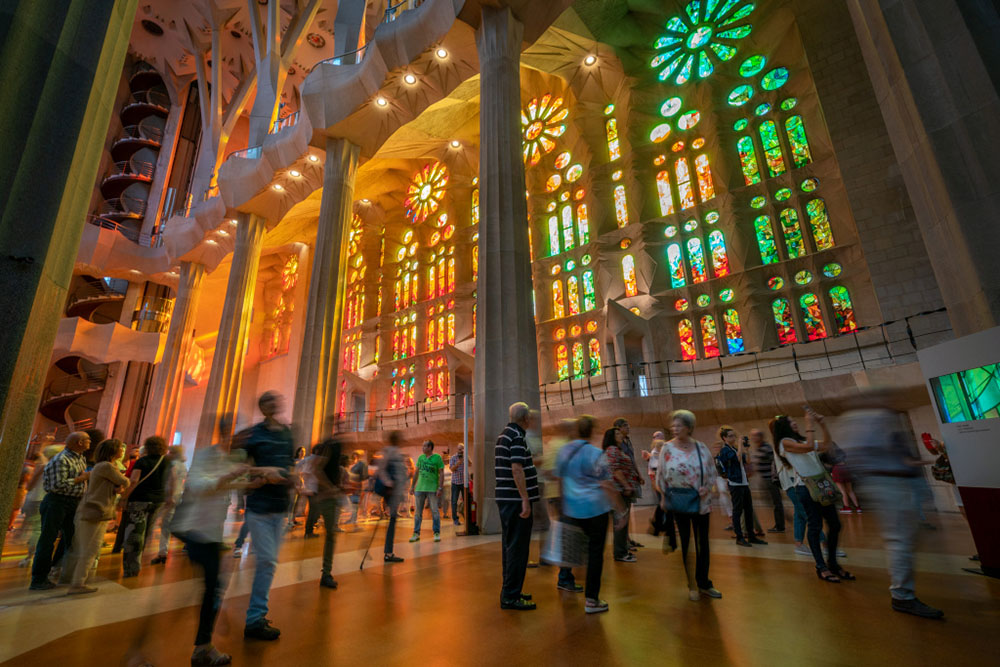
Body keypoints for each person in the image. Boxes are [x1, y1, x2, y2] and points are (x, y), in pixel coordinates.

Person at [838, 402, 943, 618]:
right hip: (887, 486)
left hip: (890, 485)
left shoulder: (865, 422)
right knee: (899, 541)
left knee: (902, 540)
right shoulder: (870, 422)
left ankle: (903, 592)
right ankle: (902, 596)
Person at [171, 413, 249, 665]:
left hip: (212, 534)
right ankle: (202, 647)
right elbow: (197, 486)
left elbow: (241, 482)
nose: (245, 440)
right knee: (211, 590)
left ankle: (202, 646)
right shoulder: (208, 455)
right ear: (227, 433)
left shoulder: (233, 458)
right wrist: (229, 477)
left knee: (212, 589)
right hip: (197, 531)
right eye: (241, 434)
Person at [239, 391, 296, 641]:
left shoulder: (286, 434)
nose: (276, 402)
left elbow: (290, 465)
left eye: (277, 399)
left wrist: (292, 477)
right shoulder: (254, 434)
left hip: (280, 506)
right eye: (269, 400)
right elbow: (241, 470)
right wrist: (263, 474)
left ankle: (257, 614)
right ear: (262, 406)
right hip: (259, 506)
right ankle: (254, 619)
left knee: (269, 563)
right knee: (267, 562)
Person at [770, 412, 852, 583]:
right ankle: (821, 566)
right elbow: (809, 446)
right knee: (814, 526)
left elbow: (827, 445)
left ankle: (833, 564)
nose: (795, 423)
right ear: (784, 427)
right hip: (805, 488)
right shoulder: (784, 443)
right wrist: (810, 423)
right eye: (792, 422)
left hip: (821, 485)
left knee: (835, 524)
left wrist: (823, 424)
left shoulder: (799, 440)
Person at [557, 416, 627, 613]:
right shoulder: (596, 454)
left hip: (572, 509)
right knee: (596, 554)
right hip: (595, 511)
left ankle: (565, 580)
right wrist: (621, 509)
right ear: (591, 432)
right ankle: (591, 600)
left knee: (572, 550)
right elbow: (607, 484)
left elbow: (560, 479)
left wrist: (563, 504)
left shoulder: (564, 451)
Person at [657, 410, 721, 601]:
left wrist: (707, 488)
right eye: (673, 426)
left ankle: (704, 582)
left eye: (679, 426)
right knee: (686, 542)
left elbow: (711, 471)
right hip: (679, 501)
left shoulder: (701, 448)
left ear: (689, 427)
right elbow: (661, 475)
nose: (675, 429)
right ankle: (691, 584)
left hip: (701, 501)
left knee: (703, 543)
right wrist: (663, 496)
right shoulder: (666, 448)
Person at [65, 439, 129, 594]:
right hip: (95, 510)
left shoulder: (104, 466)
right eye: (120, 448)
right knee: (89, 549)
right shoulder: (106, 466)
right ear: (113, 451)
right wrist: (121, 484)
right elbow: (124, 481)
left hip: (98, 510)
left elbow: (113, 485)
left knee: (88, 548)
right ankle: (77, 584)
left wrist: (116, 488)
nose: (122, 451)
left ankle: (74, 580)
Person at [30, 431, 90, 590]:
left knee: (71, 538)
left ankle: (56, 569)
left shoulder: (80, 457)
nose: (90, 442)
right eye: (87, 440)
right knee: (47, 540)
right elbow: (58, 485)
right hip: (57, 502)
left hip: (72, 503)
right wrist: (81, 478)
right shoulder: (61, 459)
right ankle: (39, 578)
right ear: (79, 443)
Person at [496, 402, 539, 610]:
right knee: (518, 549)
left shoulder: (505, 434)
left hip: (507, 500)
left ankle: (510, 590)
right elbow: (516, 469)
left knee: (510, 546)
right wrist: (525, 499)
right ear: (525, 418)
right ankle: (511, 596)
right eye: (530, 416)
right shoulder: (517, 437)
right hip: (515, 501)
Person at [120, 435, 173, 577]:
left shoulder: (142, 461)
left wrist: (124, 497)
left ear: (147, 447)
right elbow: (171, 482)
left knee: (134, 533)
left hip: (140, 500)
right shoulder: (168, 462)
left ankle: (132, 568)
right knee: (147, 531)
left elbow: (134, 481)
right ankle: (139, 560)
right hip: (159, 501)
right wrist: (169, 497)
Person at [540, 419, 583, 593]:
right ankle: (565, 578)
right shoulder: (561, 445)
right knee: (567, 535)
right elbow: (549, 472)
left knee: (567, 533)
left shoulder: (556, 444)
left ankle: (566, 574)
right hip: (561, 496)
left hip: (560, 495)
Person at [716, 427, 767, 548]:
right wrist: (739, 445)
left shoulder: (735, 449)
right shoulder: (725, 451)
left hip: (744, 483)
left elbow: (747, 461)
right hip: (735, 484)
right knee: (737, 511)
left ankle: (751, 536)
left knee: (748, 510)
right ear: (724, 438)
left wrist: (747, 449)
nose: (733, 438)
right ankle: (739, 537)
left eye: (734, 436)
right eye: (730, 436)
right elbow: (738, 458)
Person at [603, 427, 642, 563]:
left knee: (623, 520)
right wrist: (626, 485)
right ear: (611, 437)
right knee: (620, 521)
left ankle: (623, 550)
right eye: (617, 433)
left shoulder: (618, 449)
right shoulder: (612, 450)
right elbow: (615, 470)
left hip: (623, 490)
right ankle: (619, 553)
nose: (620, 435)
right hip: (619, 490)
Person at [311, 431, 344, 589]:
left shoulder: (334, 447)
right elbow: (316, 469)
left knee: (331, 534)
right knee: (330, 534)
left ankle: (327, 572)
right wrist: (330, 488)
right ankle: (326, 574)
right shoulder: (331, 446)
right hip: (327, 496)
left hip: (330, 495)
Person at [611, 418, 645, 551]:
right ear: (618, 428)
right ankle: (623, 543)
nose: (628, 427)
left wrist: (639, 475)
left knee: (627, 510)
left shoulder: (627, 441)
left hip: (630, 479)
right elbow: (616, 467)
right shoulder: (615, 445)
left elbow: (632, 459)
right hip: (622, 482)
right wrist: (625, 484)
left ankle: (627, 539)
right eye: (625, 426)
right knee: (622, 512)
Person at [152, 445, 187, 564]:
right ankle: (163, 552)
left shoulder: (173, 465)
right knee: (166, 524)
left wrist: (169, 496)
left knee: (163, 524)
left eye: (170, 452)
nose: (168, 454)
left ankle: (163, 552)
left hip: (169, 497)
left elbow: (172, 481)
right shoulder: (182, 465)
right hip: (177, 496)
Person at [750, 429, 786, 533]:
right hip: (764, 480)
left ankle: (780, 526)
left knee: (776, 503)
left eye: (755, 436)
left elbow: (774, 462)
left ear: (760, 437)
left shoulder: (766, 448)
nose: (753, 438)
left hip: (770, 479)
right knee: (772, 502)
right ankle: (782, 520)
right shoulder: (759, 448)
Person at [379, 431, 407, 563]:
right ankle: (388, 553)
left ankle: (388, 552)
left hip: (396, 492)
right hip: (391, 491)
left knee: (393, 520)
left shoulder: (396, 451)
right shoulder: (388, 451)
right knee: (392, 520)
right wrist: (389, 483)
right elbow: (382, 469)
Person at [410, 440, 444, 542]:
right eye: (422, 446)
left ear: (430, 447)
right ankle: (416, 533)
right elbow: (416, 473)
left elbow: (441, 473)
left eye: (424, 446)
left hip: (432, 489)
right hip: (420, 488)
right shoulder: (421, 458)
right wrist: (412, 486)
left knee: (435, 511)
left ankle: (436, 532)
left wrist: (440, 488)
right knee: (418, 512)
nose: (423, 448)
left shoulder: (437, 458)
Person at [449, 444, 466, 526]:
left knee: (466, 501)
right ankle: (455, 519)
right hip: (455, 483)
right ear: (457, 450)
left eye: (462, 449)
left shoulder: (465, 457)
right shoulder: (453, 458)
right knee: (454, 502)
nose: (460, 451)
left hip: (463, 483)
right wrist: (458, 463)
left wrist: (466, 458)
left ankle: (466, 518)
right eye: (459, 449)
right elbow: (451, 469)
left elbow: (470, 464)